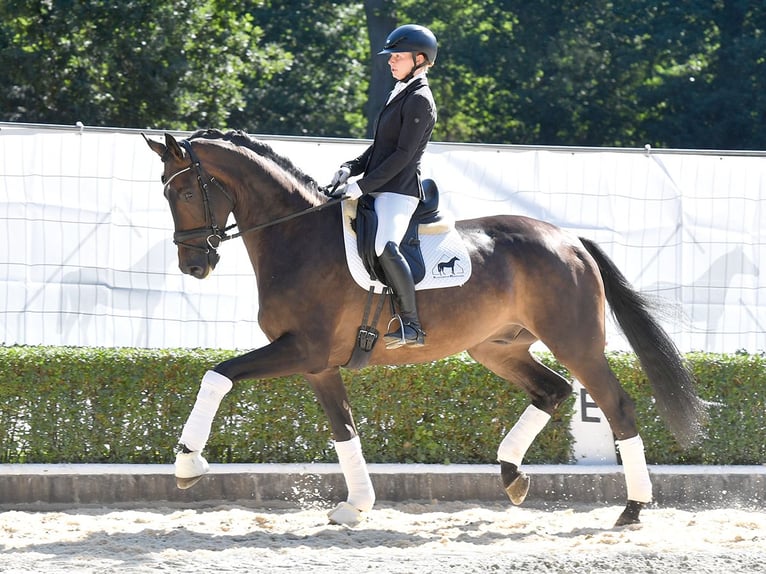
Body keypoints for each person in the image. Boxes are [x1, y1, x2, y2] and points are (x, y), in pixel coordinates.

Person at [330, 24, 438, 349]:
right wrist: (349, 168)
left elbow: (403, 157)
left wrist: (362, 186)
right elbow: (380, 149)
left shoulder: (420, 100)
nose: (391, 62)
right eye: (390, 57)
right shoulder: (400, 92)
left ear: (420, 59)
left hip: (399, 191)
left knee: (384, 246)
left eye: (398, 57)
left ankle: (412, 326)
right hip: (379, 186)